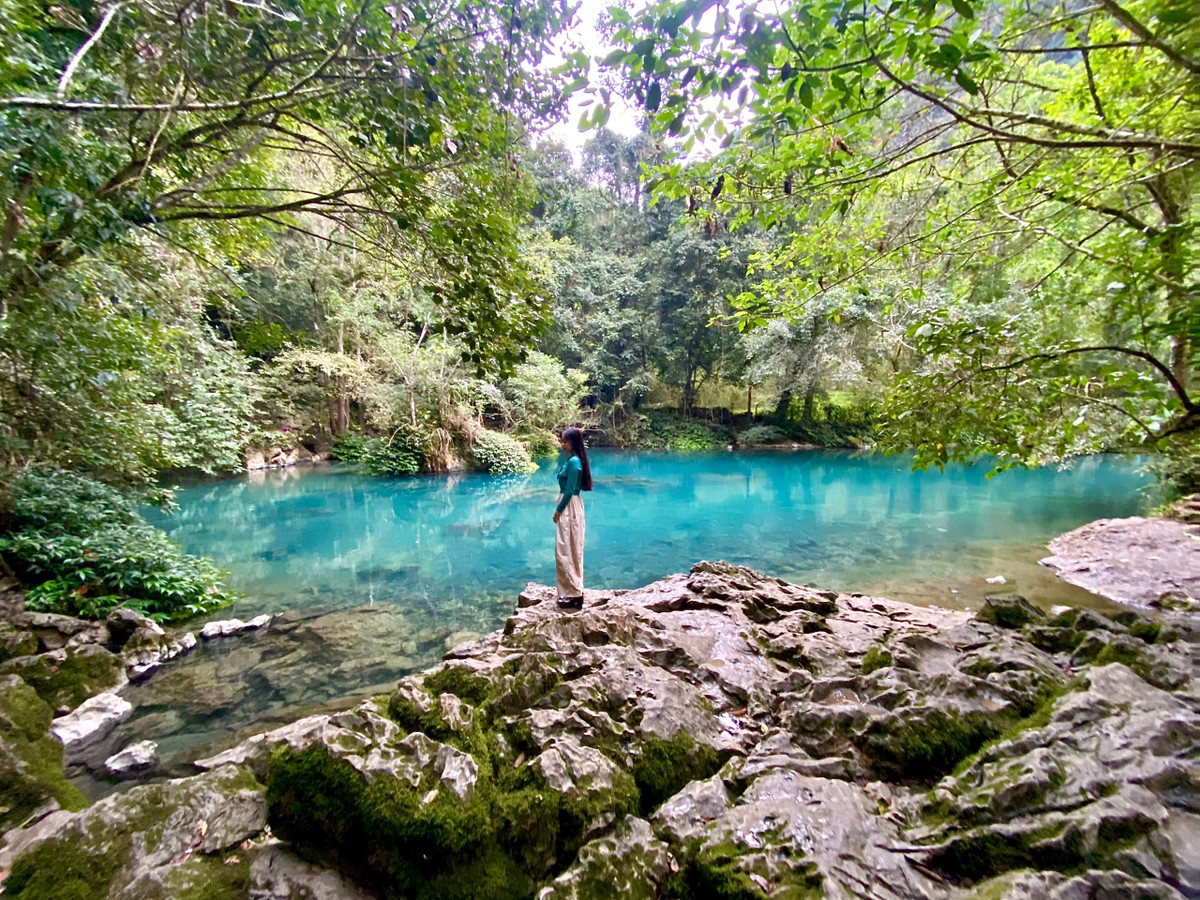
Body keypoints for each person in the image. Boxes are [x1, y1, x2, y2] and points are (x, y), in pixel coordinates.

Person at [553, 427, 592, 609]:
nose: (562, 445)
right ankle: (571, 591)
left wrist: (558, 510)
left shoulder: (575, 463)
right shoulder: (572, 461)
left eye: (565, 442)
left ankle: (574, 593)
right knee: (567, 548)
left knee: (567, 549)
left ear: (573, 443)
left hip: (569, 508)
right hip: (570, 506)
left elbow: (569, 491)